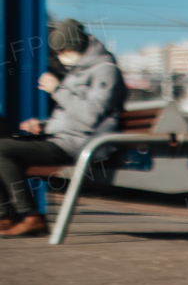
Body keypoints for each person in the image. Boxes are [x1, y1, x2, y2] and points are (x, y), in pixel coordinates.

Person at [0, 19, 127, 237]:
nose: (61, 56)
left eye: (64, 50)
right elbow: (70, 116)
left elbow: (90, 116)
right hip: (62, 139)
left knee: (2, 150)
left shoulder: (106, 71)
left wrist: (58, 89)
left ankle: (30, 216)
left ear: (78, 46)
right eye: (58, 52)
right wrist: (43, 125)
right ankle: (7, 215)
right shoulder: (77, 71)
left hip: (82, 145)